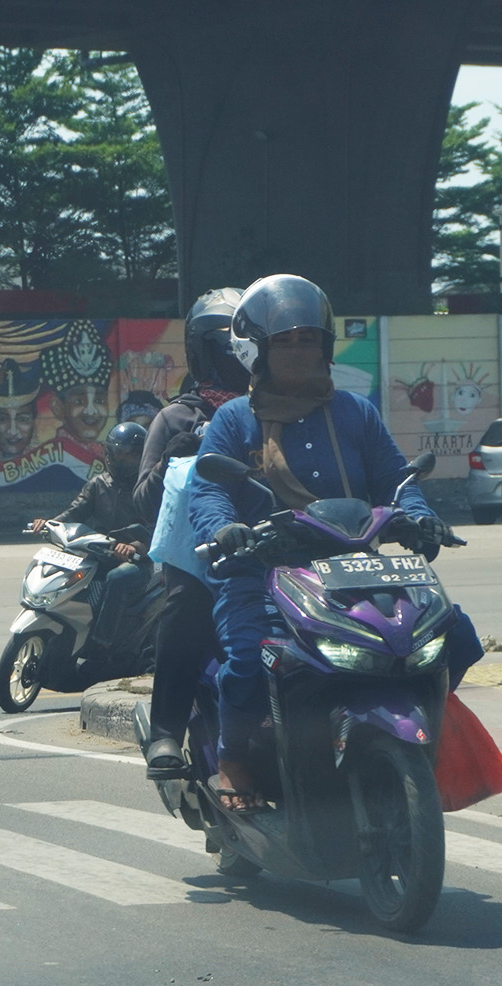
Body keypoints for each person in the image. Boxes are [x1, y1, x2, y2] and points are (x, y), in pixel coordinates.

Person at [187, 273, 473, 813]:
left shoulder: (355, 413)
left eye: (308, 339)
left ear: (326, 344)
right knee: (248, 657)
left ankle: (413, 730)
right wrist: (224, 530)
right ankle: (234, 758)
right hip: (263, 570)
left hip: (353, 567)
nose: (299, 351)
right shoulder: (232, 420)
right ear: (258, 350)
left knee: (454, 635)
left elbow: (397, 480)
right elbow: (209, 493)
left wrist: (418, 518)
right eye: (284, 341)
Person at [133, 287, 247, 780]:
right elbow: (143, 502)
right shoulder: (177, 417)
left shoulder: (270, 412)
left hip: (273, 550)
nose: (235, 355)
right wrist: (176, 451)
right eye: (225, 344)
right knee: (183, 609)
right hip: (199, 558)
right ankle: (166, 731)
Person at [30, 421, 152, 657]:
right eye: (118, 453)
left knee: (117, 578)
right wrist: (49, 523)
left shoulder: (147, 488)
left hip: (139, 560)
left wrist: (134, 546)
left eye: (129, 455)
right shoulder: (99, 484)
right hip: (100, 552)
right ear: (108, 454)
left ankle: (101, 643)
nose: (122, 460)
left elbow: (155, 525)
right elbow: (74, 513)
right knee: (69, 572)